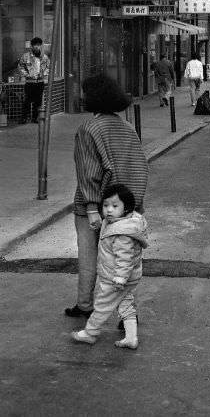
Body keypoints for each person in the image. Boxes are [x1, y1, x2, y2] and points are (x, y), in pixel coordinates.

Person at [65, 74, 149, 320]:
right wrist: (134, 207)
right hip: (126, 207)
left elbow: (88, 172)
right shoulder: (127, 128)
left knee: (89, 256)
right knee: (124, 262)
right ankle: (127, 315)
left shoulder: (88, 129)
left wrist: (92, 207)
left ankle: (84, 304)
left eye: (84, 92)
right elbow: (140, 167)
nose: (81, 96)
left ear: (94, 97)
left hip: (96, 207)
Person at [71, 183, 148, 350]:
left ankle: (90, 333)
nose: (109, 210)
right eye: (106, 205)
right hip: (127, 277)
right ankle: (131, 338)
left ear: (126, 208)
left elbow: (125, 258)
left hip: (117, 278)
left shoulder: (122, 233)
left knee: (102, 305)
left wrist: (120, 278)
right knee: (126, 305)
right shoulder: (120, 222)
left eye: (115, 206)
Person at [18, 36, 50, 123]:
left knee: (38, 101)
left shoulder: (44, 57)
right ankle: (24, 118)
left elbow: (48, 67)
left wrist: (44, 74)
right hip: (29, 82)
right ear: (32, 46)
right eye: (35, 45)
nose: (37, 47)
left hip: (40, 82)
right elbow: (20, 66)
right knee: (27, 101)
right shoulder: (26, 56)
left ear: (41, 46)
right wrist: (27, 74)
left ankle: (35, 118)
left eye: (38, 45)